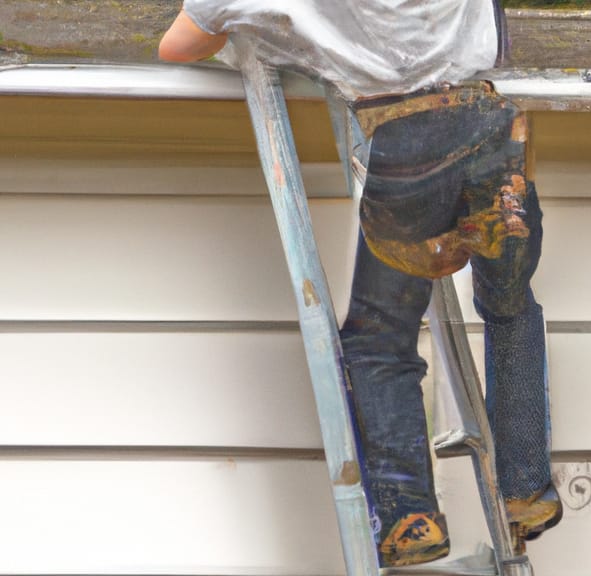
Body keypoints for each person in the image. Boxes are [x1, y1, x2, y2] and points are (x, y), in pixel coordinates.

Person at [160, 1, 560, 568]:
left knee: (379, 338)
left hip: (406, 138)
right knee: (509, 305)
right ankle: (525, 488)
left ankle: (409, 515)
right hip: (494, 124)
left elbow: (177, 45)